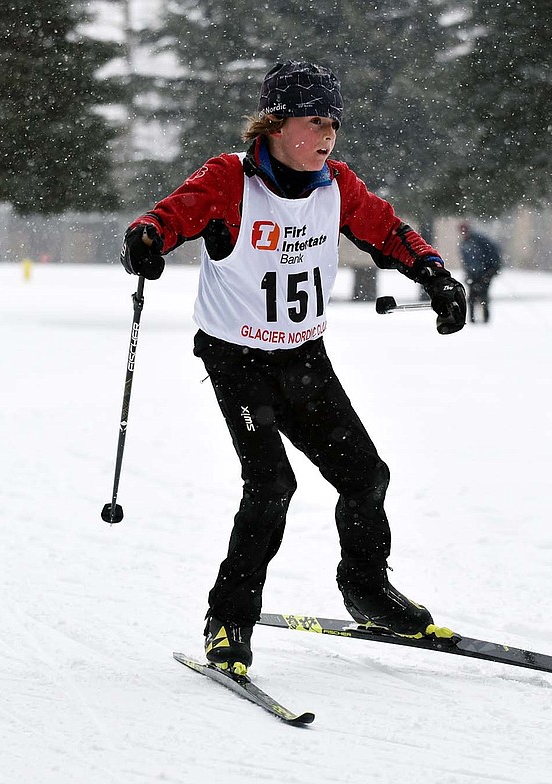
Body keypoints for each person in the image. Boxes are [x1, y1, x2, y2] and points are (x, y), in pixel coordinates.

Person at [119, 60, 466, 676]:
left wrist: (435, 276)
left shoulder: (336, 185)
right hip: (238, 359)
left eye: (333, 123)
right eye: (314, 122)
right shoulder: (233, 178)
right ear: (276, 123)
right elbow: (176, 214)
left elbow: (388, 231)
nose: (328, 136)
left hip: (303, 355)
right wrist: (148, 237)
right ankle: (228, 617)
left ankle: (366, 590)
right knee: (272, 484)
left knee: (365, 477)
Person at [458, 222, 502, 323]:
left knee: (483, 295)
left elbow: (492, 254)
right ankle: (472, 319)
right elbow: (466, 261)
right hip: (473, 274)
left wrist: (492, 269)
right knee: (472, 298)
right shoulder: (464, 244)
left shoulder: (480, 240)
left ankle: (485, 319)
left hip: (485, 273)